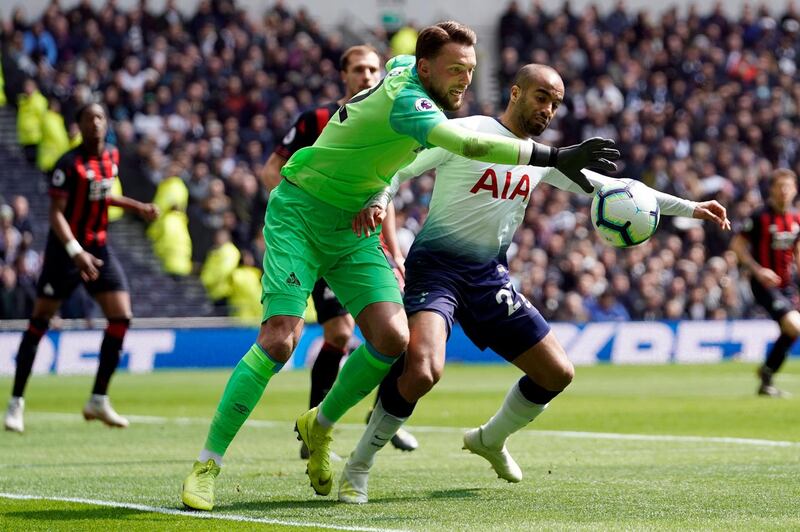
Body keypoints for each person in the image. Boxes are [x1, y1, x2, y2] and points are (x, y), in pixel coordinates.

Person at [181, 20, 619, 511]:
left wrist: (379, 187)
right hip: (300, 213)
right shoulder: (411, 102)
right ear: (427, 68)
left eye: (470, 71)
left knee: (393, 341)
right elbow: (469, 145)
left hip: (353, 224)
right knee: (281, 340)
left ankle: (319, 425)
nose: (465, 82)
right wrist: (553, 155)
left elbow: (395, 65)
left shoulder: (406, 68)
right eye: (455, 70)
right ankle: (207, 465)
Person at [338, 64, 731, 503]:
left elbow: (614, 188)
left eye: (556, 103)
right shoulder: (468, 131)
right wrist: (378, 197)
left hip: (489, 278)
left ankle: (490, 438)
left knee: (557, 372)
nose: (548, 109)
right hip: (437, 270)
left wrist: (692, 208)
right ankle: (358, 466)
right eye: (541, 97)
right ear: (515, 92)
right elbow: (400, 169)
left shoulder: (542, 159)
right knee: (425, 370)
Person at [261, 45, 418, 457]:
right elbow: (270, 171)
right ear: (343, 75)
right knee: (334, 333)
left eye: (373, 69)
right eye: (359, 70)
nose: (367, 76)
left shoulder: (388, 119)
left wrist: (396, 251)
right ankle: (315, 421)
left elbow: (386, 188)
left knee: (394, 328)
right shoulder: (314, 120)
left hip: (360, 242)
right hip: (312, 236)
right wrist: (299, 214)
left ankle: (381, 416)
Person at [3, 102, 159, 433]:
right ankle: (16, 402)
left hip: (99, 247)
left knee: (121, 316)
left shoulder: (112, 157)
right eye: (89, 119)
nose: (96, 124)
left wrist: (137, 207)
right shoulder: (68, 164)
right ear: (79, 126)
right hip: (65, 251)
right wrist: (75, 251)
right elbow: (56, 213)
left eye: (101, 117)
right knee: (40, 321)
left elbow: (100, 197)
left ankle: (98, 399)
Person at [731, 169, 800, 397]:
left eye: (787, 187)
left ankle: (767, 374)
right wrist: (759, 271)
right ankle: (767, 373)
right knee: (793, 325)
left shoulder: (796, 218)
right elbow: (738, 247)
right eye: (779, 186)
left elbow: (797, 251)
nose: (783, 191)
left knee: (791, 330)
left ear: (794, 190)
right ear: (771, 189)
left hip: (787, 285)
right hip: (763, 284)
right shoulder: (759, 216)